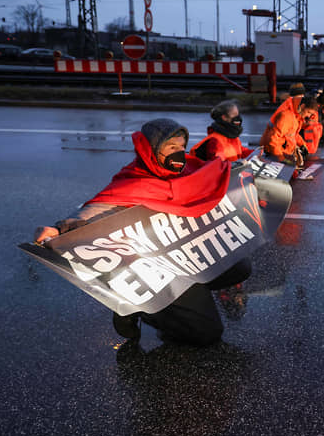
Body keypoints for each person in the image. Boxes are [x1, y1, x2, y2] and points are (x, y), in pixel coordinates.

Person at [34, 118, 251, 347]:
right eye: (171, 148)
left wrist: (250, 168)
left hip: (186, 256)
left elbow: (217, 173)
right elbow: (97, 210)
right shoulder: (132, 182)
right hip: (158, 268)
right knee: (208, 333)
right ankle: (139, 306)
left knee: (240, 266)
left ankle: (191, 295)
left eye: (181, 148)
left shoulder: (188, 170)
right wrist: (60, 229)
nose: (179, 154)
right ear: (152, 149)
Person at [260, 93, 319, 165]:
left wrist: (302, 145)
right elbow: (273, 139)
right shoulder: (287, 116)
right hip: (274, 154)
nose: (308, 116)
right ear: (302, 106)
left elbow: (293, 134)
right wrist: (281, 158)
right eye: (308, 112)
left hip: (283, 153)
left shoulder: (296, 116)